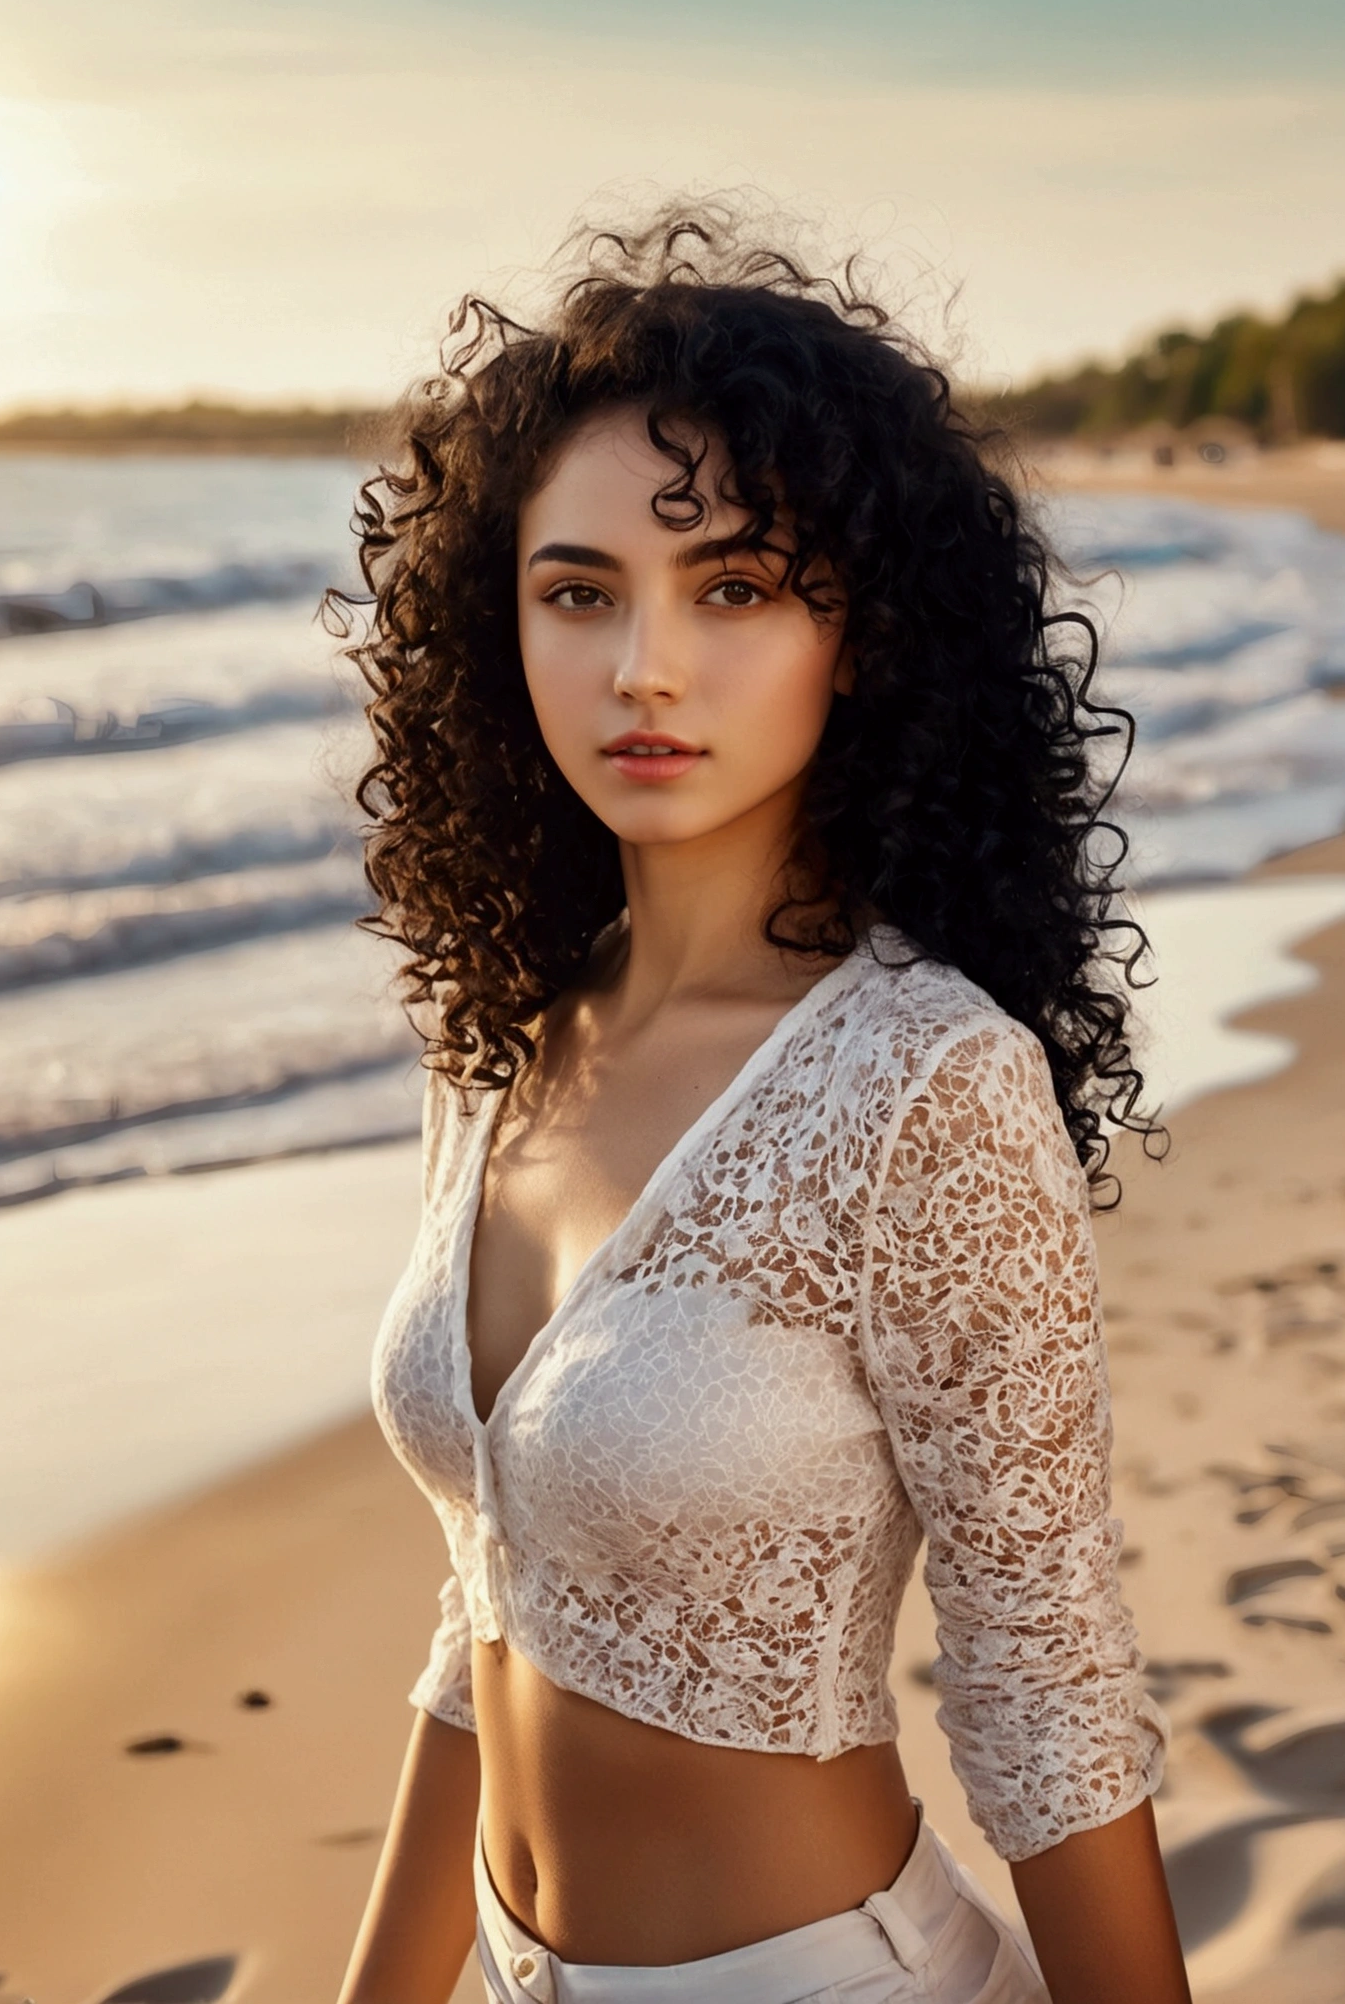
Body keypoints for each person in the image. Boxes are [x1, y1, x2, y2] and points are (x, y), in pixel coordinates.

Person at [334, 205, 1189, 2004]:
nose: (644, 664)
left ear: (858, 634)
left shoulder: (928, 1083)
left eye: (732, 586)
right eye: (580, 591)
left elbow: (1045, 1682)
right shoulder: (495, 1047)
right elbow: (486, 1597)